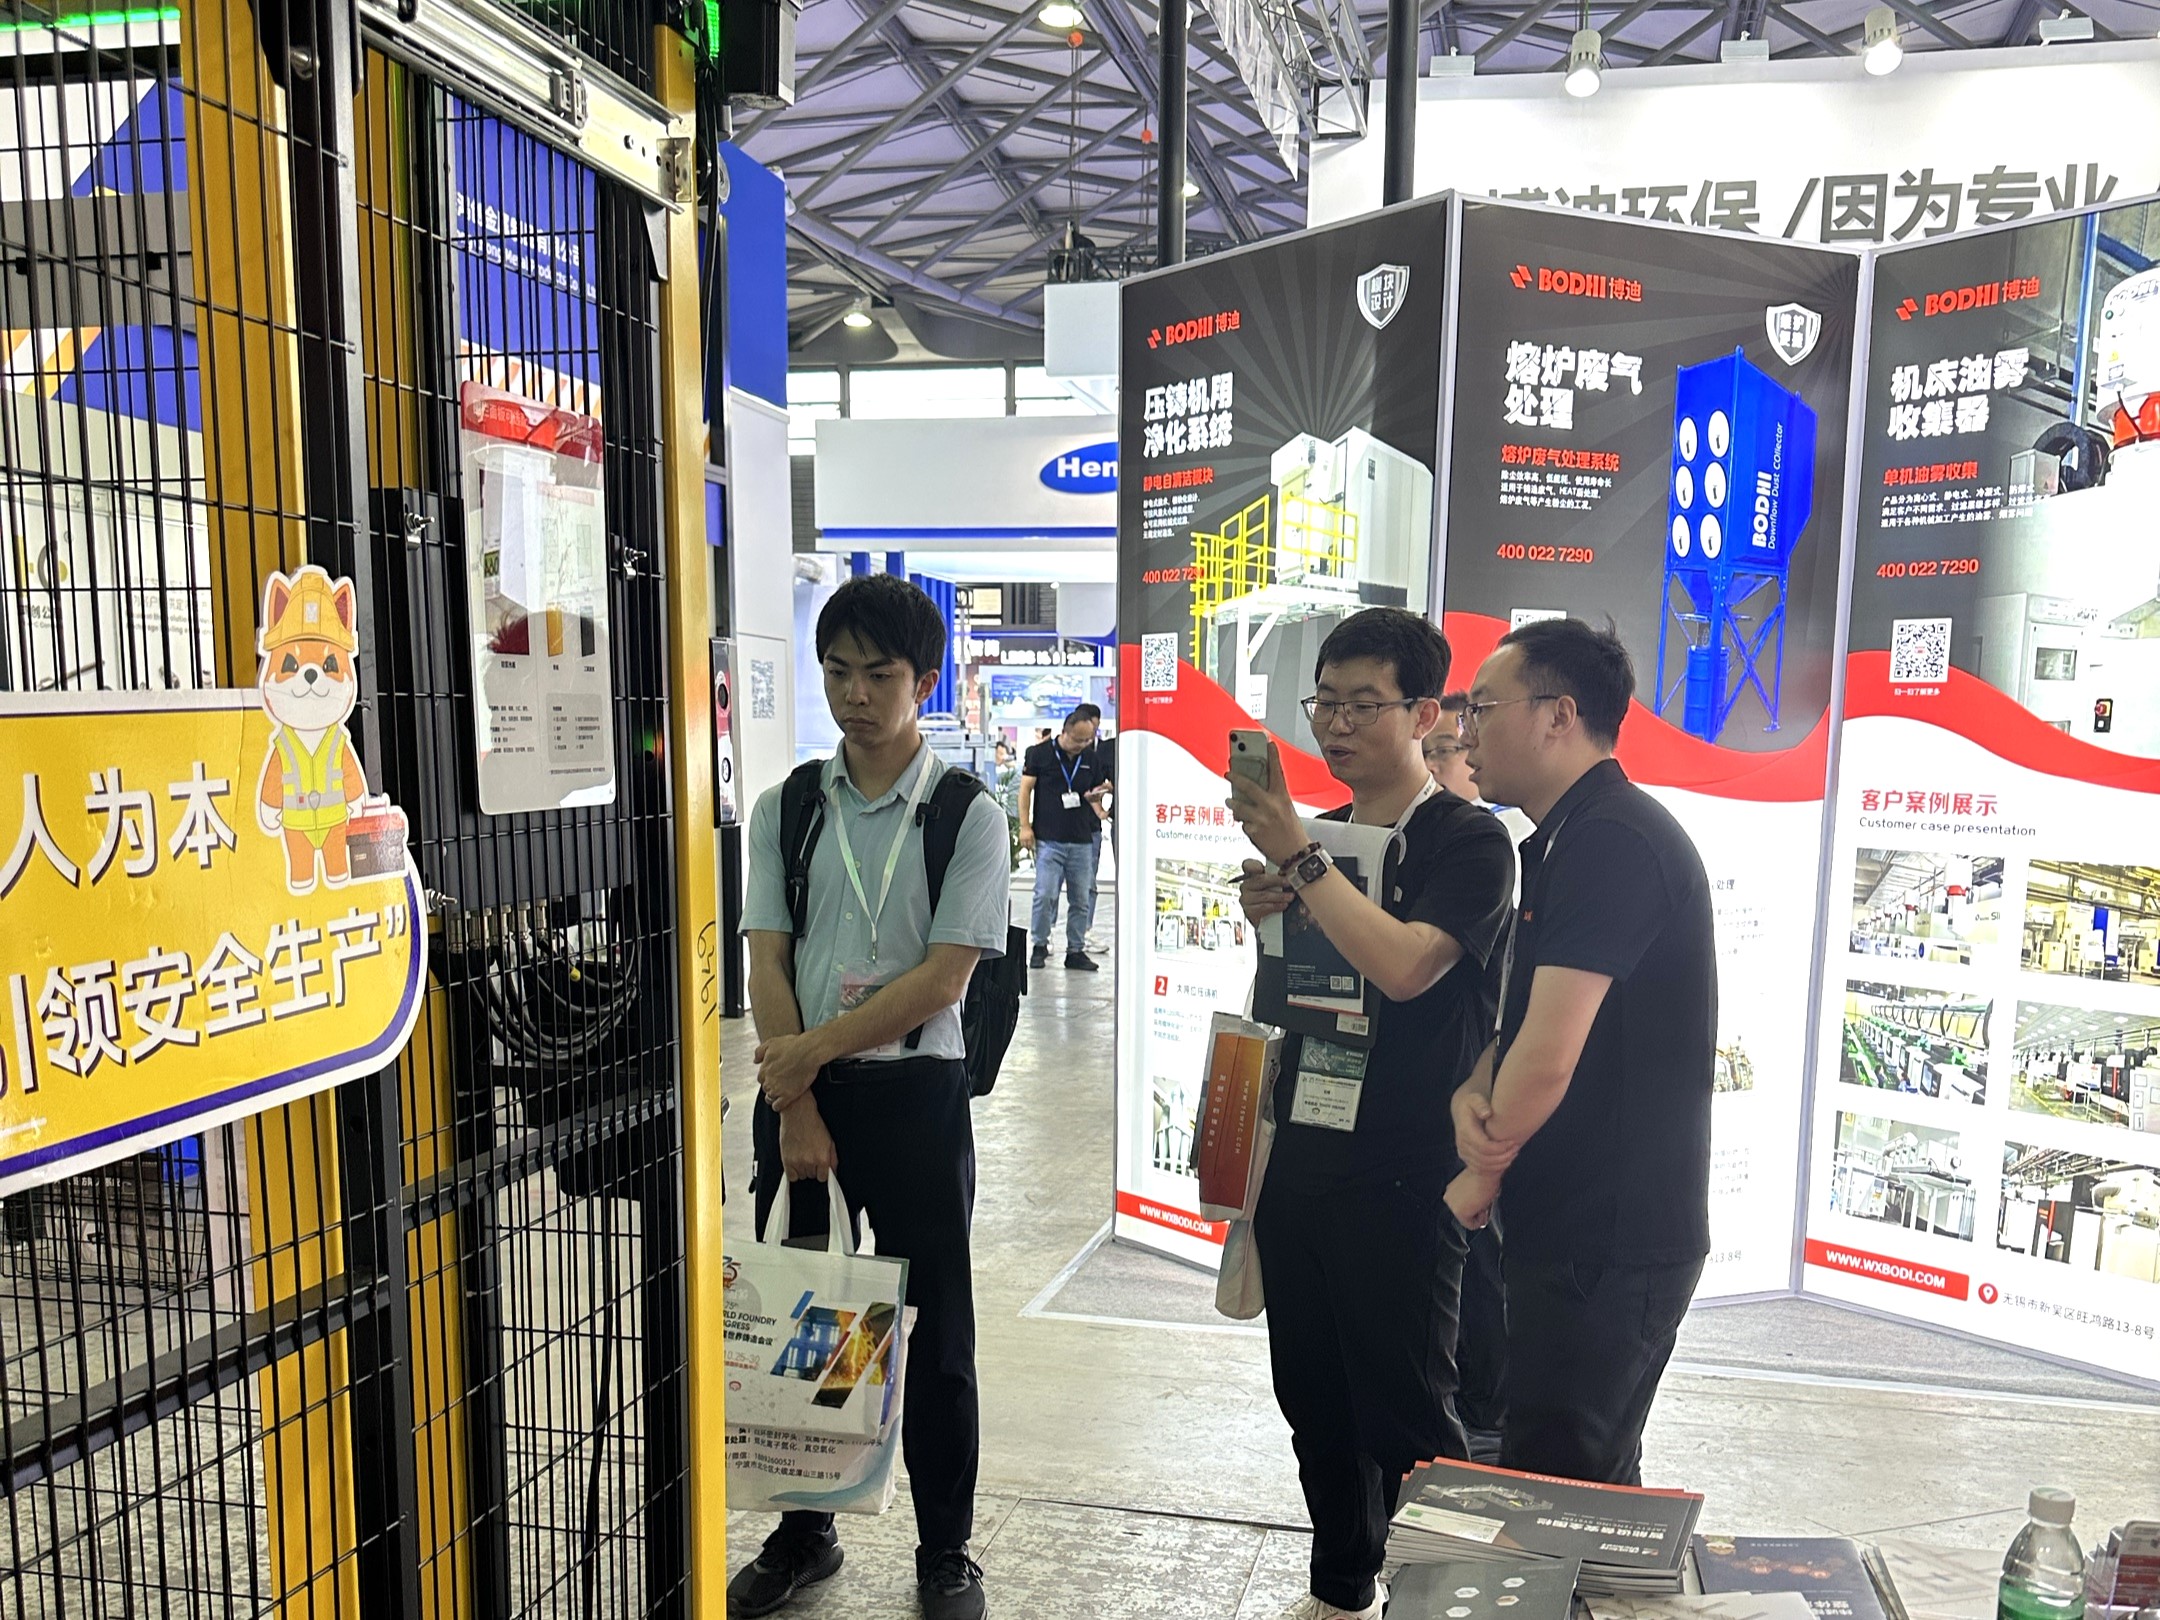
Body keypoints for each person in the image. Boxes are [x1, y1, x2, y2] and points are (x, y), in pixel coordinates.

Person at [732, 573, 1010, 1620]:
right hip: (801, 1098)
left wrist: (803, 1056)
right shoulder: (788, 808)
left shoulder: (966, 816)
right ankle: (806, 1533)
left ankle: (946, 1551)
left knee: (934, 1334)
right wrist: (797, 1098)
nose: (855, 694)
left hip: (916, 1097)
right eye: (838, 672)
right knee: (806, 1325)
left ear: (923, 681)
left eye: (878, 675)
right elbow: (766, 959)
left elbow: (944, 979)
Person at [1228, 608, 1517, 1620]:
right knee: (1313, 1400)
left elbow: (1405, 967)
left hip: (1405, 1169)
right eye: (1326, 703)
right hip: (1299, 1152)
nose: (1338, 724)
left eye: (1364, 704)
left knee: (1408, 1412)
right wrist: (1271, 914)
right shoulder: (1321, 836)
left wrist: (1301, 863)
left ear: (1424, 713)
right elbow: (1305, 993)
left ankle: (1448, 1599)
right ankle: (1339, 1586)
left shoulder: (1469, 840)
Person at [1446, 617, 1717, 1488]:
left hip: (1610, 1238)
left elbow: (1550, 1056)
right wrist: (1474, 1090)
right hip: (1575, 1225)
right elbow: (1524, 1023)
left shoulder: (1613, 840)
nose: (1464, 732)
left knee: (1561, 1487)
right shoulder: (1566, 838)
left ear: (1558, 716)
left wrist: (1479, 1172)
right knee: (1580, 1481)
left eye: (1483, 709)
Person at [1018, 702, 1113, 971]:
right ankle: (1039, 944)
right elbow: (1025, 790)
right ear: (1065, 732)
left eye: (1087, 740)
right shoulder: (1039, 754)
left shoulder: (1091, 758)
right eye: (1078, 740)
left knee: (1081, 899)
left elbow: (1091, 792)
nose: (1082, 745)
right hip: (1049, 838)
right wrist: (1025, 826)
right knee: (1045, 894)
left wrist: (1099, 801)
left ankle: (1075, 950)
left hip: (1082, 839)